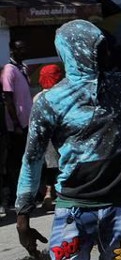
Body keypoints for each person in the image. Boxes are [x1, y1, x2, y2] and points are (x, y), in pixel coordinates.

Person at [16, 21, 121, 260]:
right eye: (95, 48)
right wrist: (22, 215)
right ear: (71, 52)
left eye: (102, 47)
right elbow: (33, 157)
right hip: (73, 210)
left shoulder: (120, 85)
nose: (103, 54)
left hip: (120, 206)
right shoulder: (50, 101)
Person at [2, 39, 31, 212]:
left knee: (27, 159)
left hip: (27, 122)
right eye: (20, 49)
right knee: (16, 162)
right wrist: (16, 123)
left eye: (24, 48)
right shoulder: (9, 70)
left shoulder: (23, 68)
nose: (23, 51)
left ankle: (26, 194)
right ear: (12, 50)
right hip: (17, 125)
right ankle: (12, 197)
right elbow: (8, 98)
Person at [35, 64, 65, 210]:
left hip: (45, 137)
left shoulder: (38, 98)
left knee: (50, 166)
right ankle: (60, 193)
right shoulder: (63, 95)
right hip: (62, 136)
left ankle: (48, 192)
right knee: (62, 165)